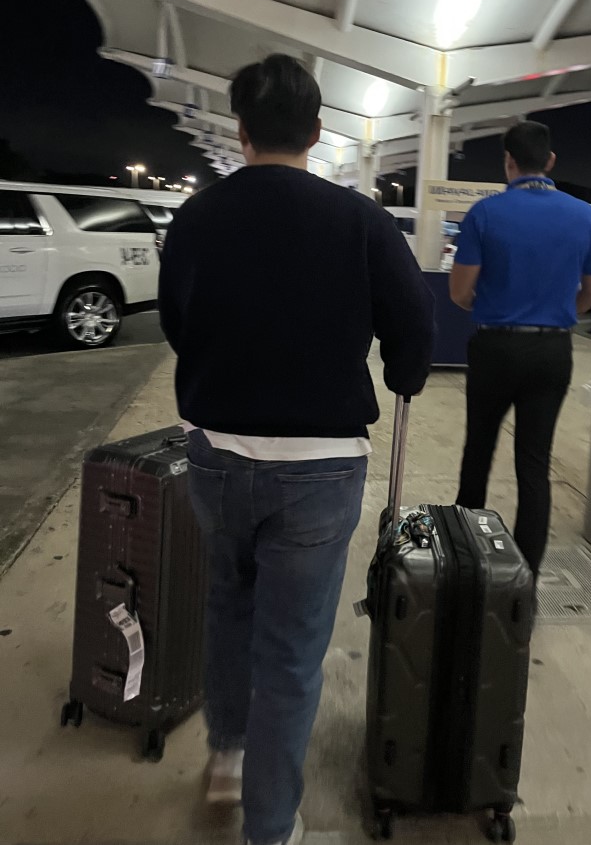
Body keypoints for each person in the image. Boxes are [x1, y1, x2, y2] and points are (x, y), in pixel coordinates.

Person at [158, 54, 434, 845]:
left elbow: (177, 321)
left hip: (217, 454)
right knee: (289, 649)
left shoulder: (197, 217)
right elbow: (414, 330)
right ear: (316, 132)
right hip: (321, 466)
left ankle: (226, 755)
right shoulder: (362, 220)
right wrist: (402, 372)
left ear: (241, 131)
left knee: (228, 604)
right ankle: (271, 826)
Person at [449, 120, 591, 584]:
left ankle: (464, 565)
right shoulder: (583, 215)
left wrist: (493, 306)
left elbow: (459, 292)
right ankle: (526, 583)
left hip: (495, 348)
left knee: (478, 451)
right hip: (552, 351)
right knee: (534, 465)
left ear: (508, 161)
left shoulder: (484, 213)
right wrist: (560, 312)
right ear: (550, 161)